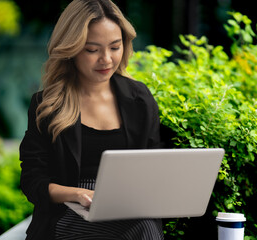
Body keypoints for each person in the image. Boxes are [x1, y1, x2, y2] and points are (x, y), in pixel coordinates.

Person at [19, 0, 164, 239]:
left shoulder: (139, 98)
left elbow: (155, 166)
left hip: (128, 210)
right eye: (92, 50)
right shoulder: (47, 105)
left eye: (114, 47)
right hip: (67, 214)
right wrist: (78, 195)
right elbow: (33, 181)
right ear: (71, 50)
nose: (106, 59)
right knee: (142, 228)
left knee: (142, 224)